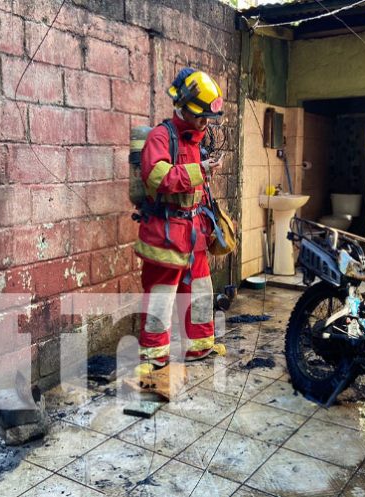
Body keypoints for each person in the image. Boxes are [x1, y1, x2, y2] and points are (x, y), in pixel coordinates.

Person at [133, 68, 226, 376]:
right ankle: (154, 355)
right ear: (183, 108)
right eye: (200, 116)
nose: (204, 122)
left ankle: (200, 344)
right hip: (165, 234)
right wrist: (200, 170)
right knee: (161, 295)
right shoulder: (162, 137)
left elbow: (199, 188)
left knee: (200, 290)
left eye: (207, 118)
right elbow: (158, 178)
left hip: (194, 233)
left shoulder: (198, 139)